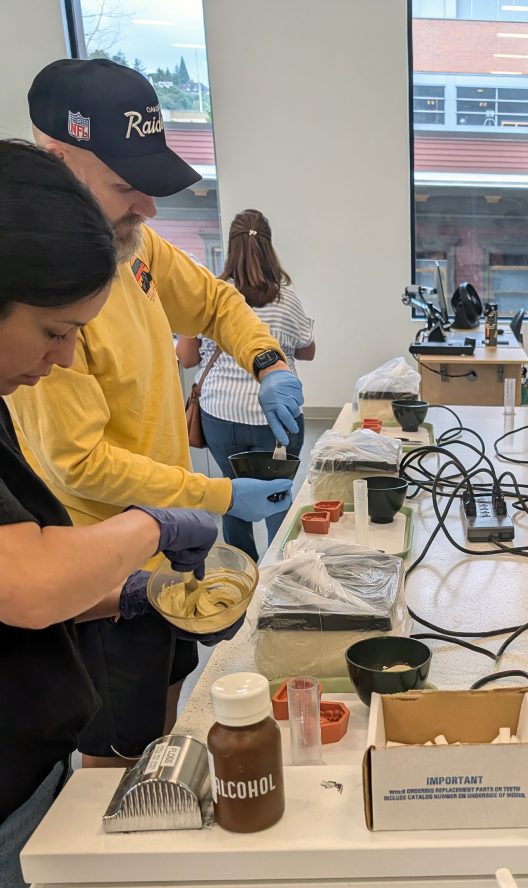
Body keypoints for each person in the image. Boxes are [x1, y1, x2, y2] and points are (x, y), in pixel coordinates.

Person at [7, 58, 304, 768]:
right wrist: (211, 497)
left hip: (156, 557)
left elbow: (217, 302)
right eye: (125, 188)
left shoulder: (135, 251)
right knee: (116, 760)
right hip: (100, 579)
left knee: (168, 717)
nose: (147, 208)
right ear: (59, 163)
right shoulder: (38, 307)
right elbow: (76, 466)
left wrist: (268, 362)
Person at [0, 139, 225, 888]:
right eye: (54, 331)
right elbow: (27, 580)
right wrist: (155, 525)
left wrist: (128, 590)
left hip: (31, 761)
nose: (62, 359)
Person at [177, 210, 316, 560]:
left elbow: (188, 357)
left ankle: (245, 575)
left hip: (220, 414)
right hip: (276, 418)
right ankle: (279, 577)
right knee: (277, 495)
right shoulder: (287, 297)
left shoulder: (212, 295)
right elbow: (308, 350)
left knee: (231, 495)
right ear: (269, 246)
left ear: (230, 246)